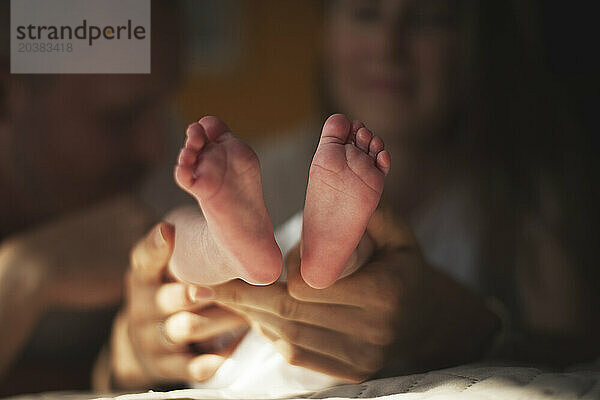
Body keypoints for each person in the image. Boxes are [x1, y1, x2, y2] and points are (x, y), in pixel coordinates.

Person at [100, 0, 599, 391]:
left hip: (266, 372)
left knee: (348, 249)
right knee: (188, 230)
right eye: (365, 12)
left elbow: (573, 353)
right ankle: (258, 250)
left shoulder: (520, 193)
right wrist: (139, 345)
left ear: (477, 42)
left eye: (427, 19)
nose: (389, 44)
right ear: (327, 31)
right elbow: (124, 351)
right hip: (233, 345)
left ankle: (290, 254)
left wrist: (470, 326)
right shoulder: (270, 167)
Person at [0, 1, 181, 396]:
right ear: (6, 95)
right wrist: (24, 274)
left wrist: (129, 363)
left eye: (162, 107)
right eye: (118, 117)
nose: (154, 146)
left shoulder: (171, 173)